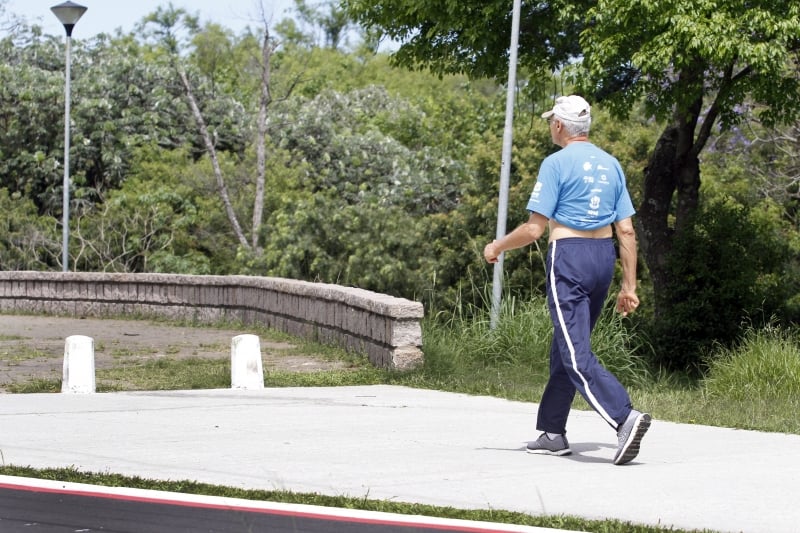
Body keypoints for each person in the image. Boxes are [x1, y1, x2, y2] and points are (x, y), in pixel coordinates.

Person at [483, 95, 651, 466]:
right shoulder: (611, 164)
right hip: (603, 259)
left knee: (576, 353)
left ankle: (624, 417)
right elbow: (626, 231)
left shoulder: (555, 163)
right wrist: (629, 286)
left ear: (559, 125)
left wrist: (497, 246)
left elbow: (533, 229)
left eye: (550, 122)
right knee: (568, 344)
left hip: (569, 258)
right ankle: (552, 432)